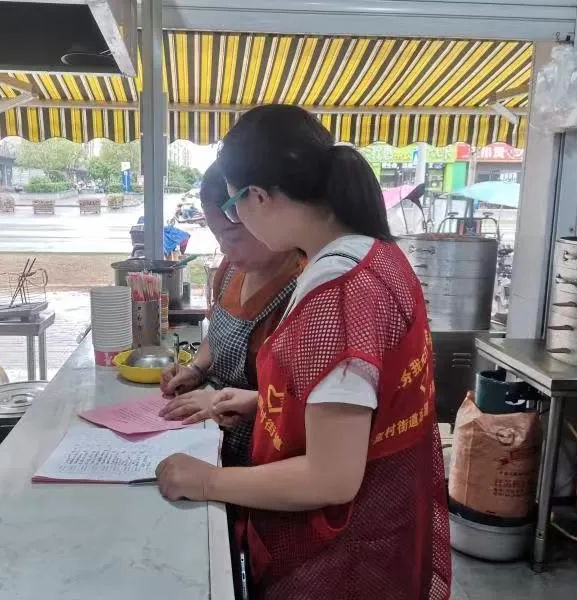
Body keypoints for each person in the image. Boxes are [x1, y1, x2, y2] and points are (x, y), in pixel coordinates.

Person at [155, 105, 451, 599]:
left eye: (234, 208)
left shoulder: (337, 291)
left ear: (258, 197)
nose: (234, 224)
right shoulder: (375, 255)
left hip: (343, 558)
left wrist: (206, 481)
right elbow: (364, 401)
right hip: (385, 528)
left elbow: (330, 478)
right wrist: (263, 402)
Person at [159, 161, 302, 467]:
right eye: (217, 236)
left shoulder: (305, 289)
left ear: (263, 212)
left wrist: (224, 401)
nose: (225, 249)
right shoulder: (230, 271)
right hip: (212, 438)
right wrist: (195, 369)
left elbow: (305, 404)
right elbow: (216, 336)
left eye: (233, 236)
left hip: (265, 459)